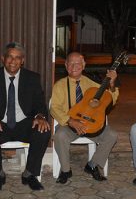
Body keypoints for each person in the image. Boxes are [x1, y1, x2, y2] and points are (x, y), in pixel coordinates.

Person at [0, 42, 50, 192]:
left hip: (24, 123)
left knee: (43, 131)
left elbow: (40, 103)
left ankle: (30, 174)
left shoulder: (32, 78)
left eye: (17, 57)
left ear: (22, 60)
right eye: (9, 57)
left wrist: (40, 116)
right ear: (3, 58)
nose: (13, 61)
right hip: (0, 123)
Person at [50, 52, 119, 184]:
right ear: (66, 65)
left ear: (83, 65)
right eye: (71, 63)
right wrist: (71, 121)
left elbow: (111, 99)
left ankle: (92, 165)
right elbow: (54, 108)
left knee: (112, 135)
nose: (74, 66)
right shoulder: (60, 85)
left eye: (78, 63)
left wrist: (112, 83)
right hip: (69, 125)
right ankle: (65, 170)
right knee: (59, 136)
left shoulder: (91, 84)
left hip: (91, 126)